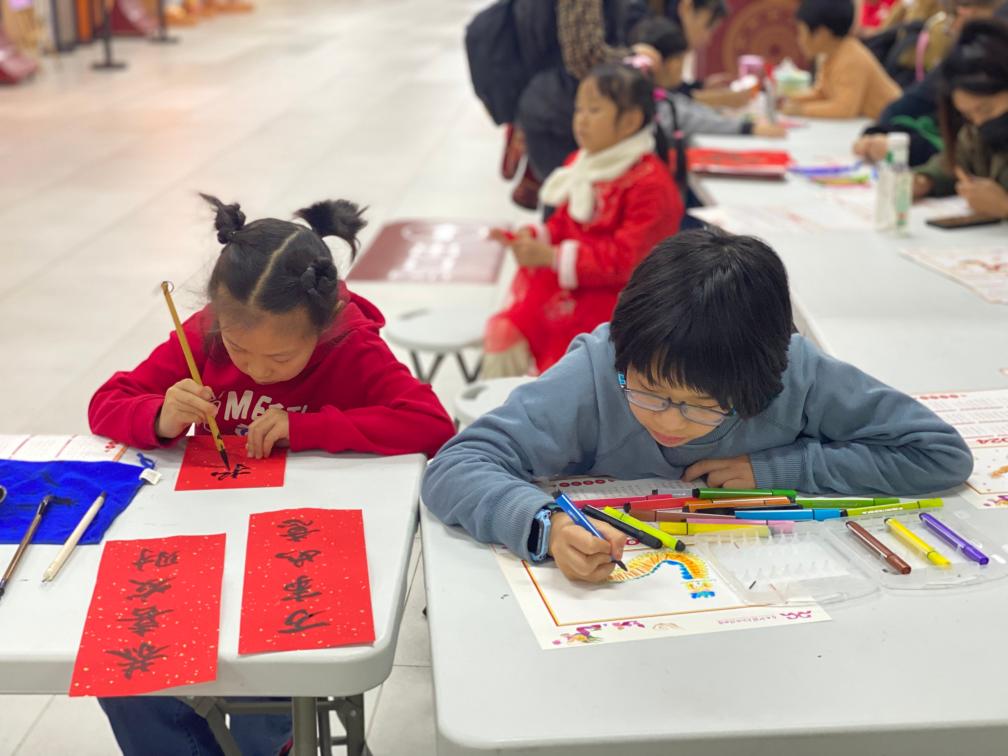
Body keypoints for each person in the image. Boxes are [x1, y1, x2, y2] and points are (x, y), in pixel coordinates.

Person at [90, 194, 456, 754]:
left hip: (298, 551)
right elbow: (107, 403)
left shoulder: (350, 344)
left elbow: (430, 424)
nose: (258, 370)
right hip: (205, 539)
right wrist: (160, 414)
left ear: (323, 324)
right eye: (240, 350)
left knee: (268, 676)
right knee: (125, 670)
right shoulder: (204, 336)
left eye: (281, 359)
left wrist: (305, 427)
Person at [423, 229, 974, 583]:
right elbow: (456, 463)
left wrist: (782, 469)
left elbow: (938, 453)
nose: (667, 419)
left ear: (760, 383)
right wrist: (546, 525)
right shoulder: (597, 372)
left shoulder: (797, 375)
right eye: (648, 391)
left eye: (700, 406)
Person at [483, 63, 683, 379]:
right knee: (504, 333)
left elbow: (629, 261)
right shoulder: (582, 162)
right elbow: (563, 223)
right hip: (573, 286)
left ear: (630, 121)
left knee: (564, 362)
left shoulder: (650, 184)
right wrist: (535, 237)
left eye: (594, 110)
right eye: (579, 109)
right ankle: (503, 403)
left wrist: (551, 256)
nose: (581, 120)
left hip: (617, 303)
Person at [854, 0, 1008, 167]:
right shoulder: (970, 57)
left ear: (965, 13)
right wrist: (928, 177)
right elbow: (960, 150)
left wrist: (901, 144)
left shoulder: (978, 57)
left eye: (948, 23)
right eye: (969, 115)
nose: (978, 122)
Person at [631, 16, 786, 141]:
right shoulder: (652, 103)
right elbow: (685, 118)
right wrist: (747, 128)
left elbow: (685, 107)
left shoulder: (656, 95)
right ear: (673, 64)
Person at [913, 18, 1008, 216]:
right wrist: (926, 180)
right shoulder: (976, 131)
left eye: (986, 109)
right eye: (967, 114)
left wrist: (1004, 207)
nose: (979, 122)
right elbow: (956, 161)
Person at [782, 0, 902, 118]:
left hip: (895, 121)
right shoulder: (829, 55)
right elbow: (822, 93)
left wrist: (802, 110)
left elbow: (844, 109)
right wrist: (791, 99)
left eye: (802, 33)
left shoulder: (851, 58)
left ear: (822, 34)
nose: (799, 40)